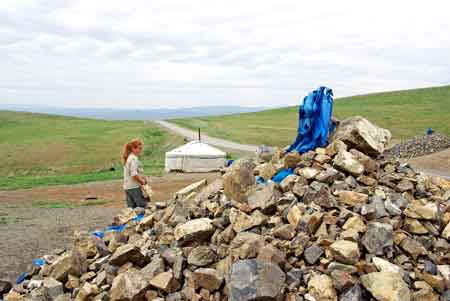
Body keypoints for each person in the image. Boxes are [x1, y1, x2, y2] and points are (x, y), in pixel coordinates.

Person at [121, 138, 148, 208]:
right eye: (139, 148)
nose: (140, 150)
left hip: (127, 187)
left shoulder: (129, 158)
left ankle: (133, 219)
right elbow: (134, 174)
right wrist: (142, 182)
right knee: (141, 207)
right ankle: (141, 219)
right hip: (134, 187)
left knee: (131, 209)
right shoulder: (133, 159)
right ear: (133, 148)